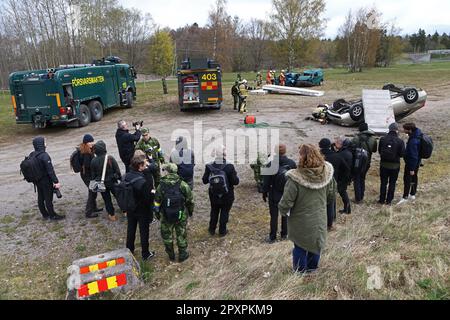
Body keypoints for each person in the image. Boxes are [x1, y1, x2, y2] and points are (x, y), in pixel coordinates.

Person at [278, 144, 336, 273]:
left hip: (300, 220)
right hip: (319, 217)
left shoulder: (295, 179)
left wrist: (282, 211)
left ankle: (300, 273)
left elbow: (286, 202)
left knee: (300, 246)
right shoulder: (327, 174)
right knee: (316, 243)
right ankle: (312, 269)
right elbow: (331, 196)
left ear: (302, 157)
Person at [154, 163, 194, 262]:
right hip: (181, 214)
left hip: (166, 214)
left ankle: (171, 255)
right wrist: (190, 211)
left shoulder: (161, 185)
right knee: (181, 234)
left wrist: (158, 214)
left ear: (167, 172)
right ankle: (182, 254)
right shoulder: (183, 184)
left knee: (167, 236)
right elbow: (190, 200)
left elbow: (157, 202)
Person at [262, 144, 297, 243]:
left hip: (274, 194)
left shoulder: (270, 164)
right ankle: (284, 234)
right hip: (287, 193)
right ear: (285, 151)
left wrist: (264, 193)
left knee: (273, 216)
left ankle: (272, 236)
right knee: (285, 214)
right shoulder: (292, 163)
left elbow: (266, 182)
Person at [202, 146, 239, 237]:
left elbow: (204, 180)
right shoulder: (229, 166)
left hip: (214, 194)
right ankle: (222, 231)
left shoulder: (209, 166)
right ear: (224, 154)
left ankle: (211, 229)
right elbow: (236, 182)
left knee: (214, 211)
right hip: (227, 194)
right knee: (225, 211)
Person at [125, 155, 155, 261]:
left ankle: (129, 250)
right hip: (142, 209)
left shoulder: (127, 175)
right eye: (145, 164)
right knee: (144, 231)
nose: (146, 165)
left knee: (131, 229)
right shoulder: (142, 181)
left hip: (130, 208)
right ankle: (145, 253)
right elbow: (149, 197)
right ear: (140, 166)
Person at [30, 137, 64, 221]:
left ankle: (45, 214)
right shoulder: (44, 155)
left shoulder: (32, 154)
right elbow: (50, 170)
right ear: (41, 144)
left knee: (41, 198)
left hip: (37, 180)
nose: (46, 143)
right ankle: (53, 216)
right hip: (45, 181)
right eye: (44, 142)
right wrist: (56, 181)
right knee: (48, 199)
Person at [91, 140, 122, 221]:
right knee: (119, 196)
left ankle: (112, 215)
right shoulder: (110, 158)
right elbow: (117, 171)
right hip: (112, 182)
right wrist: (120, 179)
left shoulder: (93, 161)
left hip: (101, 184)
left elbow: (93, 176)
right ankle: (125, 210)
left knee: (107, 200)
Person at [378, 123, 405, 205]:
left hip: (383, 165)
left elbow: (379, 151)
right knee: (392, 183)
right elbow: (402, 154)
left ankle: (382, 200)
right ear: (397, 130)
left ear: (389, 129)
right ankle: (389, 200)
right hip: (395, 166)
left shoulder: (382, 139)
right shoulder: (400, 141)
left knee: (383, 182)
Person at [319, 138, 342, 230]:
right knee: (331, 202)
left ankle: (322, 222)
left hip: (320, 182)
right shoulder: (336, 156)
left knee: (321, 203)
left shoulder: (318, 156)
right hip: (333, 181)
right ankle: (331, 222)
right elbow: (345, 168)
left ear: (320, 145)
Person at [351, 123, 378, 203]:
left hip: (356, 162)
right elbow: (374, 150)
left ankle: (358, 198)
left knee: (356, 179)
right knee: (362, 178)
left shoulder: (355, 138)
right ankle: (361, 196)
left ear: (360, 129)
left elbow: (351, 149)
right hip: (367, 162)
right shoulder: (373, 139)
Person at [398, 123, 423, 205]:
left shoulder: (413, 141)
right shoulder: (417, 135)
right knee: (414, 177)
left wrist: (411, 168)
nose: (403, 130)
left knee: (407, 179)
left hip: (411, 163)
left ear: (410, 130)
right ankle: (412, 194)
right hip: (417, 162)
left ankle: (405, 197)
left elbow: (413, 155)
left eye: (405, 129)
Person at [79, 134, 102, 218]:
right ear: (85, 143)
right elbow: (88, 165)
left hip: (87, 174)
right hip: (87, 175)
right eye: (90, 142)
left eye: (92, 141)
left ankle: (94, 207)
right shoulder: (86, 153)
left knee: (94, 191)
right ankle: (88, 212)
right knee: (92, 192)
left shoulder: (87, 149)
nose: (92, 143)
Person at [334, 137, 353, 214]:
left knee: (342, 192)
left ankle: (347, 209)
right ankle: (347, 209)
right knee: (343, 192)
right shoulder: (348, 152)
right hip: (346, 176)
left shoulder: (343, 153)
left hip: (343, 177)